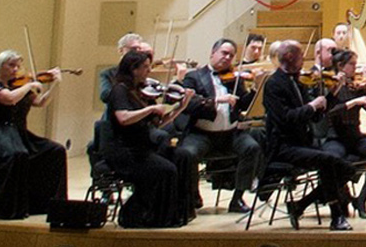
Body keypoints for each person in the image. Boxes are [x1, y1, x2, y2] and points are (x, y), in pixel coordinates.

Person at [261, 41, 355, 231]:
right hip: (283, 147)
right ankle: (336, 216)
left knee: (347, 170)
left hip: (303, 144)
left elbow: (315, 116)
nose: (304, 60)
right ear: (289, 57)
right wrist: (312, 106)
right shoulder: (273, 84)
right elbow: (286, 118)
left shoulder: (297, 82)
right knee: (329, 162)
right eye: (301, 56)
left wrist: (331, 95)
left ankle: (300, 205)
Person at [104, 49, 196, 228]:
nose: (149, 70)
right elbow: (123, 118)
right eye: (145, 67)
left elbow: (158, 124)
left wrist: (181, 107)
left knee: (183, 157)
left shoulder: (141, 92)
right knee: (166, 170)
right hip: (124, 151)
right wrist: (150, 110)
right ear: (133, 69)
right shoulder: (119, 90)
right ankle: (148, 216)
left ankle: (179, 213)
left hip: (142, 147)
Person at [174, 38, 264, 215]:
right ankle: (193, 195)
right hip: (202, 133)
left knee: (252, 147)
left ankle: (237, 198)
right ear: (212, 53)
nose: (227, 58)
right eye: (224, 53)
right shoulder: (194, 76)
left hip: (230, 134)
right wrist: (216, 100)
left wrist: (256, 88)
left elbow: (243, 105)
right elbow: (189, 104)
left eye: (231, 55)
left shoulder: (234, 79)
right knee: (187, 153)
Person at [0, 51, 70, 220]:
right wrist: (29, 85)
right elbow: (10, 99)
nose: (15, 69)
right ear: (1, 66)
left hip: (20, 134)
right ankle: (8, 209)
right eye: (11, 65)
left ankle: (44, 204)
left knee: (55, 151)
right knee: (18, 155)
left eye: (17, 66)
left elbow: (41, 102)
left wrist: (55, 84)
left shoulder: (19, 86)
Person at [316, 49, 366, 220]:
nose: (355, 69)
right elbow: (329, 112)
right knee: (333, 161)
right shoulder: (330, 86)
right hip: (335, 137)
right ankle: (343, 199)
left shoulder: (355, 86)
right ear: (340, 66)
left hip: (355, 137)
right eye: (352, 65)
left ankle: (362, 198)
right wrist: (353, 102)